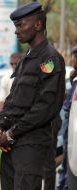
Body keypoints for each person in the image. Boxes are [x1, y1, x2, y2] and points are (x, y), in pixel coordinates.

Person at [0, 2, 66, 190]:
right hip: (11, 144)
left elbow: (45, 107)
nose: (16, 31)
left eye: (21, 25)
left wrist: (12, 133)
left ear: (38, 25)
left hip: (30, 143)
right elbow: (13, 97)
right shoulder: (26, 58)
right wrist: (1, 124)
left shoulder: (50, 59)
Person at [57, 45, 77, 190]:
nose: (73, 60)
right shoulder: (73, 78)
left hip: (72, 127)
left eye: (75, 57)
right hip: (69, 124)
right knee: (66, 157)